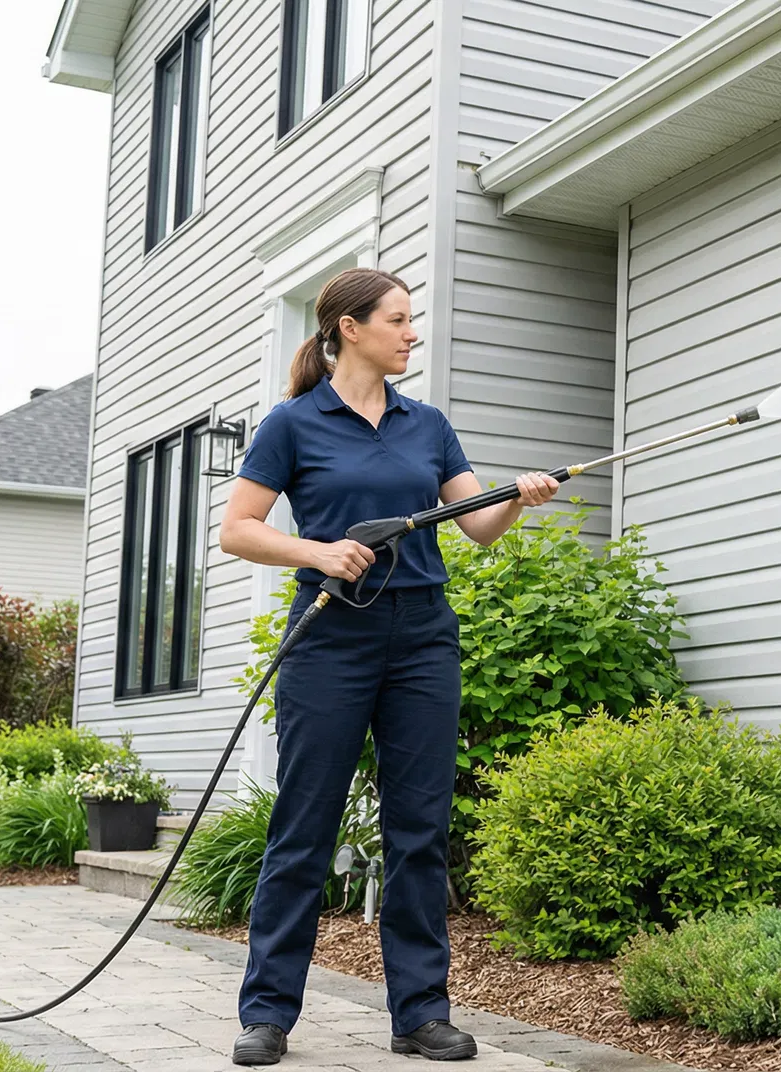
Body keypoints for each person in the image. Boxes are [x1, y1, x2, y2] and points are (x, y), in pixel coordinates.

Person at [217, 267, 559, 1065]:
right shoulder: (293, 424)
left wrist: (518, 496)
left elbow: (477, 526)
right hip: (331, 635)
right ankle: (267, 1014)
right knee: (304, 825)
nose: (412, 333)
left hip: (423, 637)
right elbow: (239, 529)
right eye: (398, 320)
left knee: (419, 831)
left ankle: (420, 1015)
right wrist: (317, 552)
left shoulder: (426, 423)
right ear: (350, 328)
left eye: (411, 320)